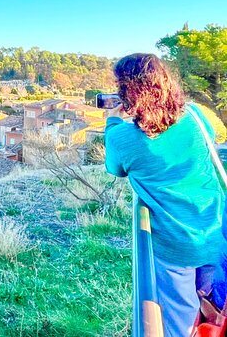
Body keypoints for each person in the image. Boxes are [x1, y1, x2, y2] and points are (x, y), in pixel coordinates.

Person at [104, 53, 224, 337]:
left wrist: (111, 122)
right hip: (215, 229)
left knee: (178, 324)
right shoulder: (196, 115)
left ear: (126, 92)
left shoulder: (122, 137)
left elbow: (115, 168)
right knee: (212, 307)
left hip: (175, 245)